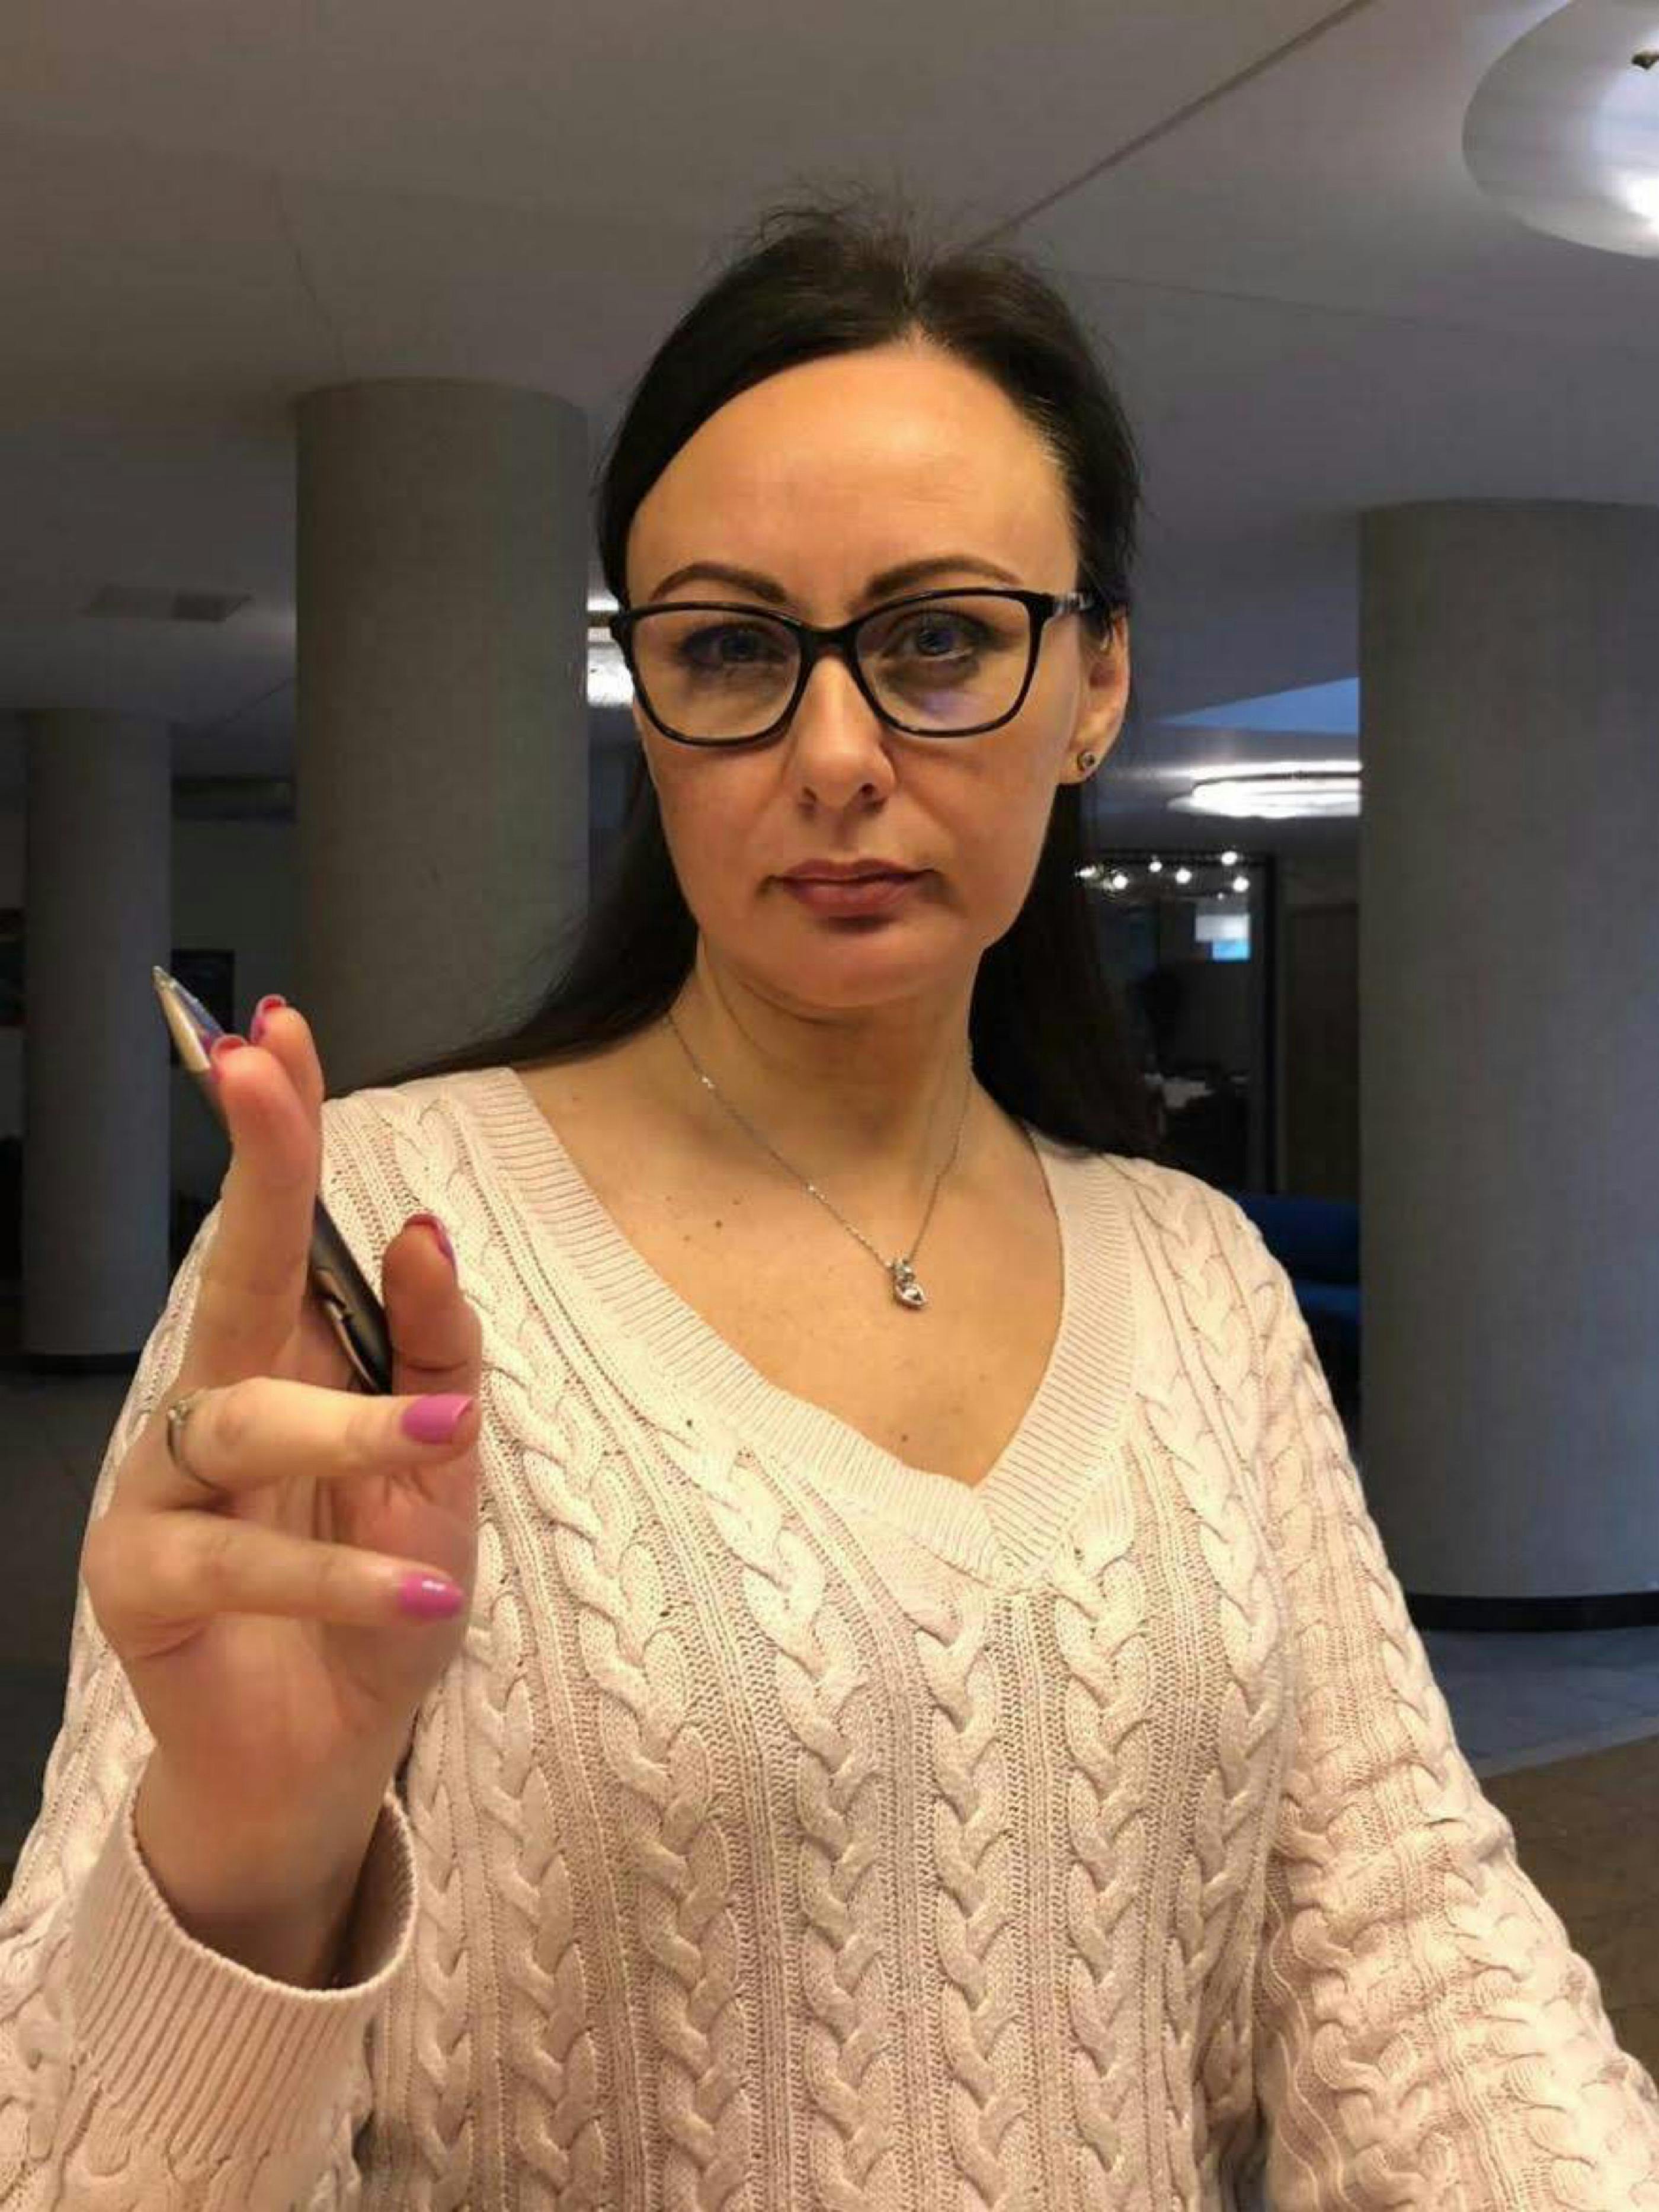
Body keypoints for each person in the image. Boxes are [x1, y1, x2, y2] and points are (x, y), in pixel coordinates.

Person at [3, 188, 1657, 2211]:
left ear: (1098, 683)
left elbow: (1411, 1954)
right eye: (731, 650)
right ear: (652, 705)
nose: (839, 752)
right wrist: (246, 1883)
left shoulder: (1199, 1279)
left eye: (941, 639)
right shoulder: (383, 1249)